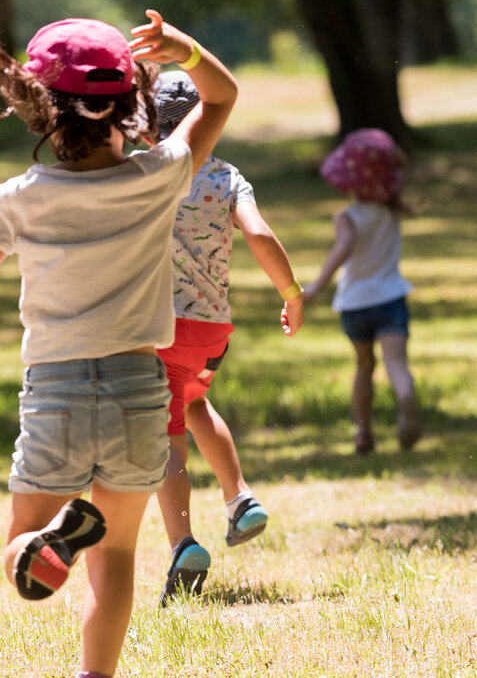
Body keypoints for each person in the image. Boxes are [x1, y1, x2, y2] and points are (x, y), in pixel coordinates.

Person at [0, 11, 237, 678]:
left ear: (35, 107)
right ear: (129, 102)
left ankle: (45, 542)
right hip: (137, 387)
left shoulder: (16, 199)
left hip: (56, 389)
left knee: (18, 541)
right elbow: (220, 97)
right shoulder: (159, 176)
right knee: (118, 553)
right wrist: (186, 50)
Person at [142, 72, 303, 606]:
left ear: (148, 126)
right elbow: (258, 233)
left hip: (156, 328)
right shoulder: (226, 177)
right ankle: (239, 498)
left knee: (165, 433)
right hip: (211, 332)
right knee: (193, 402)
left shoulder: (142, 173)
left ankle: (183, 543)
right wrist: (292, 291)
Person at [304, 128, 420, 455]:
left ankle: (363, 432)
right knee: (397, 364)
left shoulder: (347, 217)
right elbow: (402, 166)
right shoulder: (391, 208)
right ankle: (406, 396)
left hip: (356, 304)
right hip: (391, 297)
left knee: (364, 365)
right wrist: (389, 153)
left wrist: (316, 286)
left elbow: (342, 251)